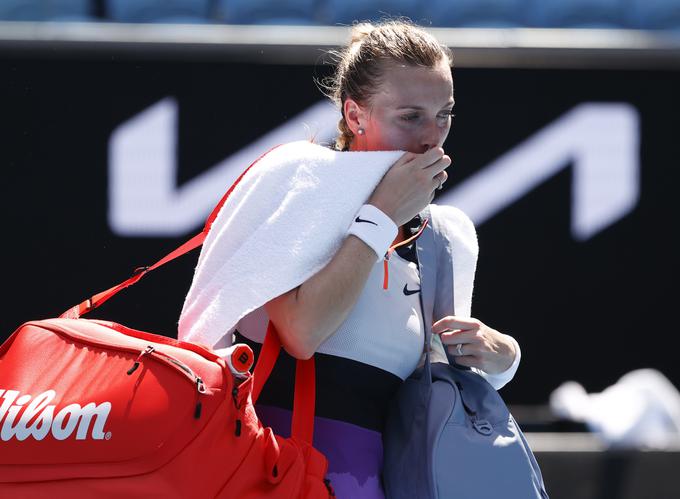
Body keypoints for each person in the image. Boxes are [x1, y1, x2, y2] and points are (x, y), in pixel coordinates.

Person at [206, 19, 520, 499]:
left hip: (377, 483)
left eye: (445, 114)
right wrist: (381, 216)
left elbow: (439, 376)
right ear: (355, 116)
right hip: (263, 473)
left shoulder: (448, 234)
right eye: (410, 116)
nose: (432, 138)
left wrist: (501, 358)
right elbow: (302, 333)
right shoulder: (300, 181)